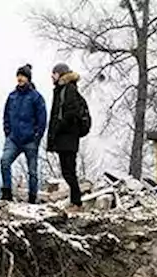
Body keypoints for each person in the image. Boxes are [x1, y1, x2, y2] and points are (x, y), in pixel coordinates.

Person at [0, 64, 47, 203]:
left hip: (30, 139)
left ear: (28, 79)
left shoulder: (36, 97)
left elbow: (42, 119)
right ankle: (7, 193)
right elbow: (6, 116)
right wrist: (8, 132)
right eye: (18, 75)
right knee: (4, 162)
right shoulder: (12, 96)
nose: (20, 78)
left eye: (23, 76)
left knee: (32, 171)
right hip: (13, 139)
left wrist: (37, 136)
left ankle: (32, 198)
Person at [46, 62, 90, 209]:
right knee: (68, 171)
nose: (52, 76)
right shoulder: (62, 90)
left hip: (68, 137)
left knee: (69, 171)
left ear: (60, 74)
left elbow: (70, 113)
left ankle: (77, 202)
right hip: (65, 137)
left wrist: (59, 127)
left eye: (54, 73)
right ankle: (75, 200)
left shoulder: (68, 89)